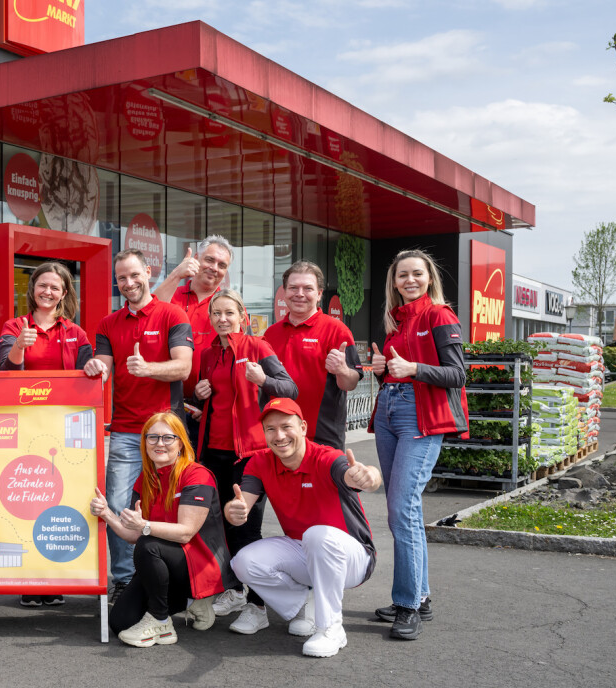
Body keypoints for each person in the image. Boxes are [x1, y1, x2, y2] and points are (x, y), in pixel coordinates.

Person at [226, 397, 381, 658]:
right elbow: (241, 504)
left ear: (304, 428)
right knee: (244, 562)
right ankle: (304, 604)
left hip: (353, 557)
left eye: (286, 426)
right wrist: (234, 512)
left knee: (317, 535)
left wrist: (369, 477)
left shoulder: (325, 457)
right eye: (271, 429)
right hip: (304, 550)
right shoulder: (260, 462)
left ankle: (331, 628)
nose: (279, 436)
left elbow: (359, 475)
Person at [368, 249, 467, 640]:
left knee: (400, 509)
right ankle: (418, 597)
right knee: (404, 510)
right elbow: (396, 373)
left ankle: (408, 605)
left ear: (429, 279)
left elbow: (457, 374)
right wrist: (383, 372)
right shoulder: (396, 323)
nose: (409, 280)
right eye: (402, 275)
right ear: (394, 281)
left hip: (420, 417)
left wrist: (412, 369)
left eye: (417, 274)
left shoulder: (440, 316)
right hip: (390, 410)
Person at [0, 261, 108, 607]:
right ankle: (29, 580)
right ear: (32, 289)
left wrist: (94, 367)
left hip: (64, 431)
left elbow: (90, 375)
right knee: (29, 500)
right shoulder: (15, 326)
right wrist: (18, 346)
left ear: (64, 294)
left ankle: (54, 577)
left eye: (55, 287)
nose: (48, 292)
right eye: (42, 285)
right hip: (25, 429)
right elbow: (2, 371)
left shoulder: (77, 333)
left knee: (61, 500)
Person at [190, 289, 297, 624]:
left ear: (243, 316)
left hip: (249, 454)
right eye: (216, 314)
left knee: (246, 526)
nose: (223, 319)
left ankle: (260, 606)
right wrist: (199, 392)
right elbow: (211, 400)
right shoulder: (208, 354)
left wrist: (263, 379)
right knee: (221, 523)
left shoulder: (257, 347)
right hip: (213, 452)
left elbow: (289, 387)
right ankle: (236, 590)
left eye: (229, 313)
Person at [93, 249, 193, 601]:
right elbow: (102, 365)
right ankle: (124, 579)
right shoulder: (108, 323)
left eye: (134, 275)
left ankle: (174, 582)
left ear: (148, 272)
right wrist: (96, 368)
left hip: (167, 432)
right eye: (122, 278)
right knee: (120, 506)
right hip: (123, 431)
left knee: (170, 506)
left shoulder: (173, 314)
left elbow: (183, 368)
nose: (129, 283)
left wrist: (148, 368)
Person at [91, 412, 236, 647]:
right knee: (120, 622)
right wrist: (107, 513)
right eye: (152, 437)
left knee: (148, 544)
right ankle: (192, 603)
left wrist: (144, 526)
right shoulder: (145, 479)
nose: (159, 443)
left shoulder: (196, 474)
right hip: (164, 565)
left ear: (180, 442)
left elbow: (186, 532)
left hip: (199, 565)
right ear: (144, 442)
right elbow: (132, 535)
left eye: (168, 438)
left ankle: (161, 621)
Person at [263, 261, 362, 451]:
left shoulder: (337, 330)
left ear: (319, 294)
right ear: (284, 293)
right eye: (293, 288)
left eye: (308, 288)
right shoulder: (270, 334)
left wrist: (342, 370)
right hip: (278, 437)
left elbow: (351, 383)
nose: (300, 294)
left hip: (323, 438)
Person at [152, 235, 234, 348]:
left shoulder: (232, 306)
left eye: (222, 265)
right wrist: (176, 274)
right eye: (210, 260)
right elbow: (148, 313)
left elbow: (246, 348)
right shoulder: (172, 295)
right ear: (195, 258)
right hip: (170, 365)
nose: (214, 268)